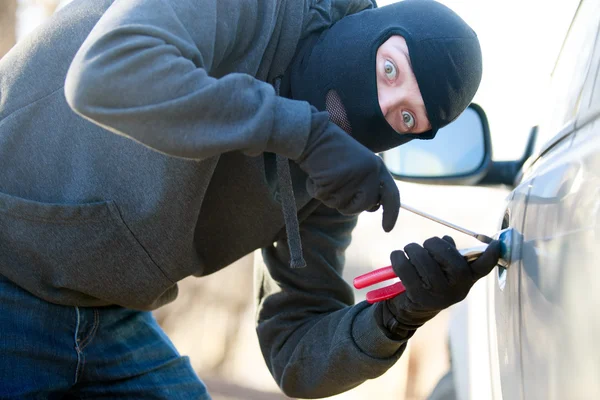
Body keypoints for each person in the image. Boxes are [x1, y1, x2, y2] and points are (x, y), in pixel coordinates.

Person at [0, 0, 501, 398]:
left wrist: (396, 317)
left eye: (406, 118)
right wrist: (304, 134)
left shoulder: (336, 170)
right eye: (390, 70)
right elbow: (107, 73)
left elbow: (294, 355)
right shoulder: (259, 9)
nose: (383, 105)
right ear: (369, 28)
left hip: (107, 315)